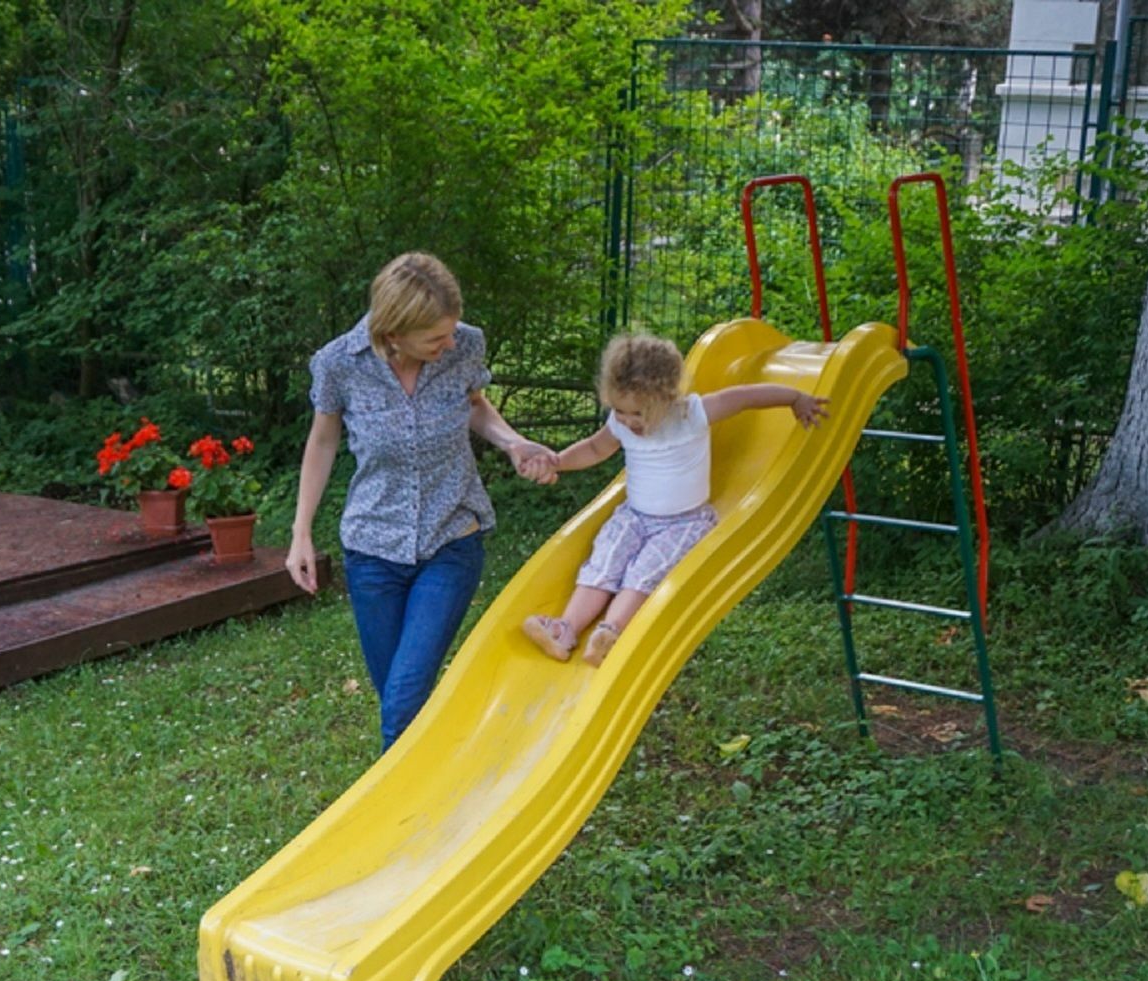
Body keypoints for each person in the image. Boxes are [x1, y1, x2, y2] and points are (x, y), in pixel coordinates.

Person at [288, 252, 558, 750]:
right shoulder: (339, 364)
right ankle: (444, 776)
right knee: (396, 693)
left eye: (451, 331)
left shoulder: (464, 346)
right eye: (436, 338)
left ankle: (401, 818)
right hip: (372, 551)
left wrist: (513, 442)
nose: (450, 343)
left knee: (404, 699)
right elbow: (322, 442)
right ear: (393, 333)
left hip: (452, 539)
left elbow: (475, 406)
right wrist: (301, 533)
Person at [522, 333, 828, 666]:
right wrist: (559, 460)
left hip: (683, 523)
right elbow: (596, 448)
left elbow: (746, 397)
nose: (626, 420)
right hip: (634, 516)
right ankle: (566, 629)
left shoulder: (691, 414)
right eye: (619, 411)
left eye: (636, 413)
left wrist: (794, 397)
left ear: (665, 398)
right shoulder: (621, 421)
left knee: (643, 572)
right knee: (605, 559)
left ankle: (610, 632)